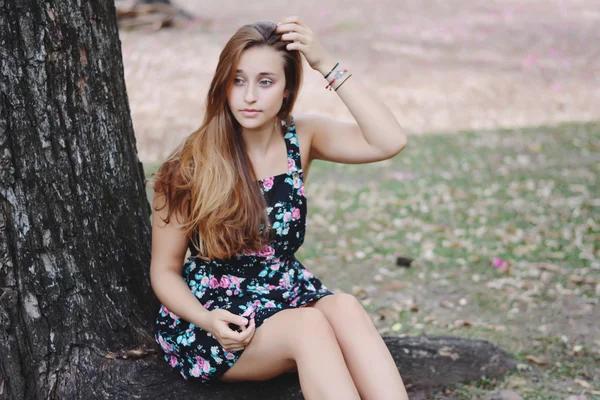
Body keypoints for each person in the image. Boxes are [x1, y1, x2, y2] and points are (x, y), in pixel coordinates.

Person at [149, 15, 409, 400]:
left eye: (266, 81)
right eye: (238, 80)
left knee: (346, 308)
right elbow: (164, 271)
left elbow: (389, 141)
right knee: (309, 326)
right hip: (221, 321)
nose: (249, 96)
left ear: (287, 90)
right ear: (223, 84)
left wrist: (326, 63)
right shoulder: (189, 166)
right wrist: (208, 320)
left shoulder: (301, 139)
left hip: (287, 293)